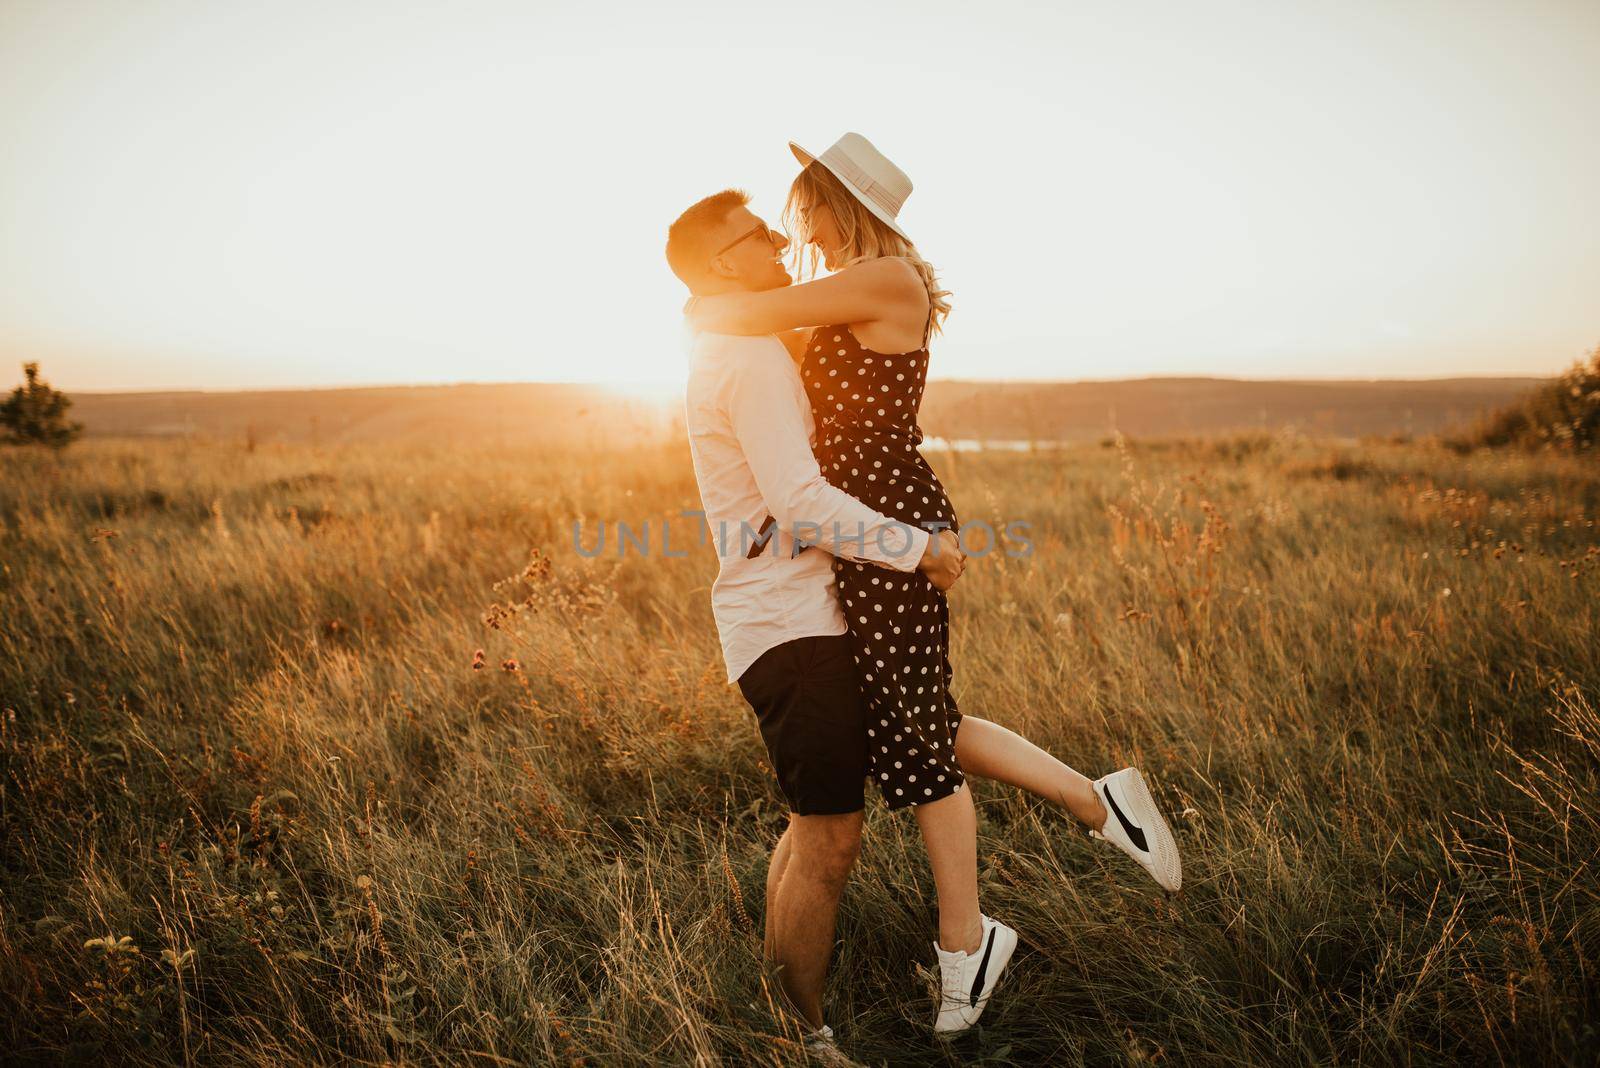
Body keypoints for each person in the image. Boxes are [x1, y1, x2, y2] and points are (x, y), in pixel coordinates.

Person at [684, 133, 1183, 1037]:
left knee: (915, 738)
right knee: (923, 720)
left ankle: (968, 946)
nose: (799, 233)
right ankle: (1090, 800)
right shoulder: (850, 287)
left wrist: (709, 297)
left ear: (840, 205)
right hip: (869, 535)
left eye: (802, 213)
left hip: (889, 530)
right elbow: (756, 335)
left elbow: (738, 317)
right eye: (782, 221)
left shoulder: (886, 280)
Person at [666, 187, 966, 1058]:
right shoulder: (749, 359)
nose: (777, 239)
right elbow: (798, 501)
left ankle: (777, 1005)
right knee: (831, 840)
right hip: (790, 626)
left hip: (786, 617)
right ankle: (802, 1038)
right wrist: (920, 550)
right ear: (726, 263)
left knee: (811, 826)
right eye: (757, 233)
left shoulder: (736, 341)